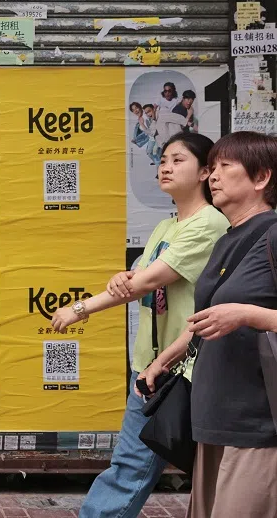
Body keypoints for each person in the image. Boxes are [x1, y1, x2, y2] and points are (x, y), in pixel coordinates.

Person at [51, 132, 229, 518]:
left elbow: (144, 281)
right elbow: (135, 282)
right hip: (153, 369)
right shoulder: (167, 228)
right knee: (136, 465)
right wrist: (127, 279)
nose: (165, 166)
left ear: (204, 172)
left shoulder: (208, 224)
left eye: (178, 160)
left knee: (137, 467)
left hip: (183, 370)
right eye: (163, 159)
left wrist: (79, 309)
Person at [138, 131, 277, 517]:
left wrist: (249, 315)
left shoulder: (273, 233)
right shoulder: (227, 237)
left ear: (261, 177)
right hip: (213, 418)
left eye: (225, 167)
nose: (212, 176)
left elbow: (235, 314)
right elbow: (205, 320)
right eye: (211, 168)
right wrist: (163, 360)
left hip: (258, 424)